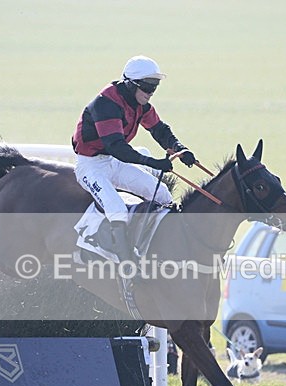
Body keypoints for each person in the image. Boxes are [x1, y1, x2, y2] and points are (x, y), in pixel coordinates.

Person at [72, 55, 196, 262]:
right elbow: (117, 147)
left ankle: (161, 246)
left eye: (155, 86)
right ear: (130, 85)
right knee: (117, 210)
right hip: (91, 166)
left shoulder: (140, 104)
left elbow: (159, 130)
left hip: (113, 162)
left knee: (163, 195)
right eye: (147, 87)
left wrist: (179, 149)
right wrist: (153, 162)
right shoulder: (105, 105)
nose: (151, 92)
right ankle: (125, 263)